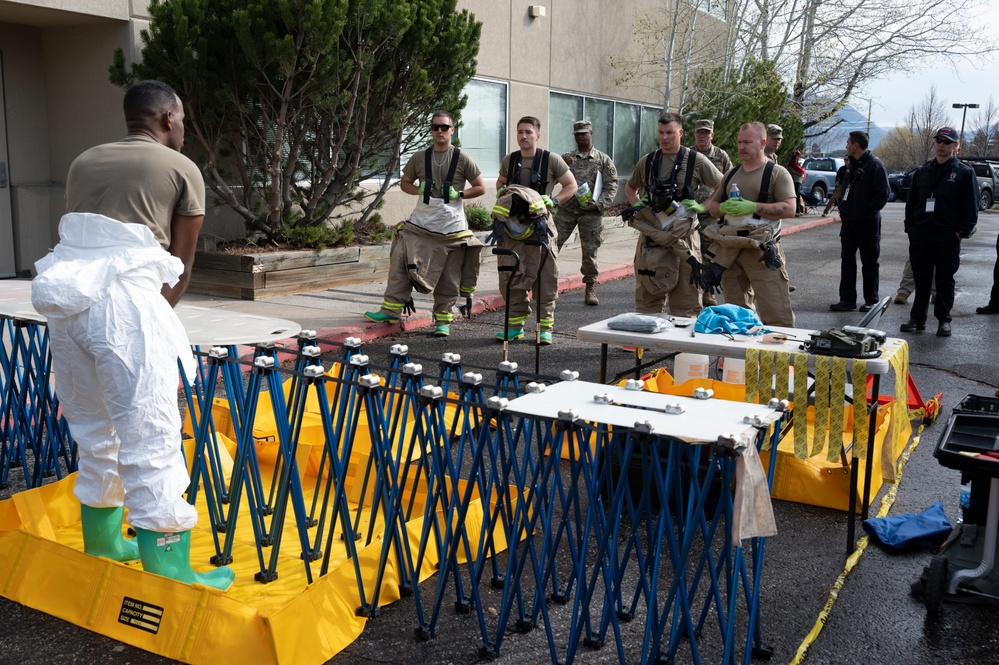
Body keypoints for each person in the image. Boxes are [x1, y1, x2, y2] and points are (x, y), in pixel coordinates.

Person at [30, 80, 234, 590]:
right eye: (182, 120)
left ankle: (103, 542)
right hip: (125, 306)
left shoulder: (83, 161)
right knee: (152, 431)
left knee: (96, 427)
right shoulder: (182, 169)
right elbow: (180, 269)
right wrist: (152, 321)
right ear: (167, 118)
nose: (185, 129)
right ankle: (168, 568)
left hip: (68, 301)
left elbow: (82, 237)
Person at [365, 111, 486, 336]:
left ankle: (442, 320)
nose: (439, 131)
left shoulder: (463, 159)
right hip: (421, 224)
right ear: (431, 130)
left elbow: (480, 187)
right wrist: (417, 189)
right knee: (401, 259)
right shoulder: (419, 157)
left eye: (444, 127)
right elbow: (405, 183)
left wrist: (459, 193)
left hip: (452, 228)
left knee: (448, 274)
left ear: (452, 130)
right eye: (435, 127)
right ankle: (390, 310)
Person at [623, 112, 722, 317]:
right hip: (652, 237)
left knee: (687, 299)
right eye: (660, 133)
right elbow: (630, 187)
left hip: (683, 238)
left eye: (670, 133)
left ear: (681, 132)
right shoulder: (648, 161)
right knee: (648, 294)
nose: (664, 138)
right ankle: (645, 343)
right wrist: (638, 206)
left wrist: (703, 207)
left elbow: (721, 186)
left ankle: (685, 347)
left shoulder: (696, 160)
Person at [492, 116, 576, 344]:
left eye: (528, 132)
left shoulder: (552, 160)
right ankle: (515, 326)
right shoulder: (510, 160)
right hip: (512, 228)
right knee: (511, 273)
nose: (523, 136)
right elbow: (500, 183)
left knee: (545, 277)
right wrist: (502, 193)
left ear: (537, 135)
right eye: (520, 132)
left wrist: (554, 201)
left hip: (541, 230)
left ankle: (545, 327)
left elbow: (571, 185)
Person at [704, 121, 797, 327]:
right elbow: (713, 207)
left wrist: (752, 206)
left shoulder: (777, 173)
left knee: (777, 316)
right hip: (731, 253)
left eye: (747, 142)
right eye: (739, 142)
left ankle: (779, 359)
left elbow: (790, 208)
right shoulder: (731, 175)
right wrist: (724, 207)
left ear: (763, 142)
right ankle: (742, 359)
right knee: (736, 317)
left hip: (763, 252)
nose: (741, 147)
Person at [900, 126, 979, 337]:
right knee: (921, 278)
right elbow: (912, 202)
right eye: (939, 141)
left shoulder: (964, 172)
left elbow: (971, 207)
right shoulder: (923, 171)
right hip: (921, 235)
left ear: (956, 146)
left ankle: (944, 320)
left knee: (944, 279)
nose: (942, 146)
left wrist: (961, 232)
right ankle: (917, 318)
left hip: (947, 236)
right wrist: (911, 227)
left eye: (947, 142)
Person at [555, 119, 619, 306]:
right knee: (551, 246)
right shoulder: (566, 158)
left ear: (591, 134)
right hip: (566, 211)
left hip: (591, 213)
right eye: (577, 134)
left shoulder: (603, 160)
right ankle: (546, 284)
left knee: (590, 252)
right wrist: (562, 166)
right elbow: (550, 177)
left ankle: (590, 288)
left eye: (584, 133)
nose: (581, 137)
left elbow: (611, 185)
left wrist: (599, 205)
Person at [829, 131, 890, 313]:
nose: (846, 145)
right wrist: (844, 210)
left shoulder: (875, 166)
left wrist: (865, 212)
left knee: (869, 262)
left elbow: (883, 195)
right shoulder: (851, 166)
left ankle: (871, 300)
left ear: (856, 145)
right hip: (849, 223)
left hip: (868, 223)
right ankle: (847, 299)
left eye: (848, 142)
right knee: (847, 260)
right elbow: (845, 190)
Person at [691, 119, 732, 306]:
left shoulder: (721, 156)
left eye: (706, 133)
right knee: (688, 252)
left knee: (709, 253)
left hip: (711, 215)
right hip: (689, 212)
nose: (702, 136)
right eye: (699, 132)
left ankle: (708, 291)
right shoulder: (688, 154)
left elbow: (728, 182)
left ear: (712, 135)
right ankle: (689, 290)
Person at [787, 150, 806, 215]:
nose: (800, 157)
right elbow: (801, 171)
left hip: (798, 181)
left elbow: (802, 172)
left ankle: (798, 210)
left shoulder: (797, 163)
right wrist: (802, 172)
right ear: (795, 156)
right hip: (795, 181)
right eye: (798, 156)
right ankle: (795, 210)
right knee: (795, 196)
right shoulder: (792, 164)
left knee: (797, 196)